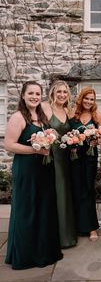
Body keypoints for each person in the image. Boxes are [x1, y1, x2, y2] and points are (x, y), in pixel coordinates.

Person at [4, 81, 63, 270]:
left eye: (38, 94)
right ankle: (26, 255)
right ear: (23, 95)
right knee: (27, 209)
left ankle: (44, 251)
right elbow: (10, 145)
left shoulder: (42, 115)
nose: (35, 97)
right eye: (31, 93)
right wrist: (35, 150)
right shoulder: (18, 117)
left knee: (44, 208)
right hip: (27, 169)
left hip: (44, 169)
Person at [42, 80, 77, 248]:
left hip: (65, 158)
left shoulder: (67, 110)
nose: (62, 95)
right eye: (59, 92)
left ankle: (66, 235)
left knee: (64, 194)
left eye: (65, 92)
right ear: (53, 93)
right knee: (52, 193)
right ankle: (52, 236)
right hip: (50, 157)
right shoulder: (45, 107)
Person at [69, 87, 101, 241]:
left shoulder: (98, 116)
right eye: (86, 98)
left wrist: (96, 139)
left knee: (88, 189)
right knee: (75, 188)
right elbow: (66, 132)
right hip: (74, 156)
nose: (89, 101)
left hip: (90, 156)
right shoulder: (72, 113)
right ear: (81, 98)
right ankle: (77, 226)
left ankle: (91, 227)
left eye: (92, 99)